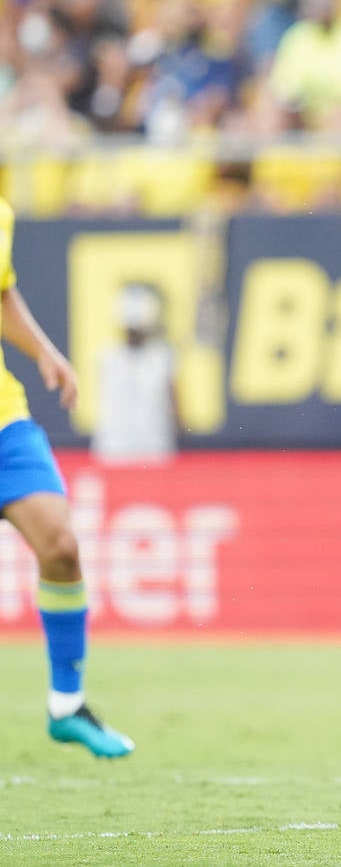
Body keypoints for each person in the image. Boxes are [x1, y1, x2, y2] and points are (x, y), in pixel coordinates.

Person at [0, 196, 134, 758]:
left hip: (4, 417)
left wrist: (42, 351)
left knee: (59, 545)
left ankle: (67, 706)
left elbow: (1, 292)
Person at [91, 283, 179, 465]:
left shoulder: (162, 356)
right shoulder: (108, 356)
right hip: (114, 448)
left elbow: (174, 400)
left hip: (154, 448)